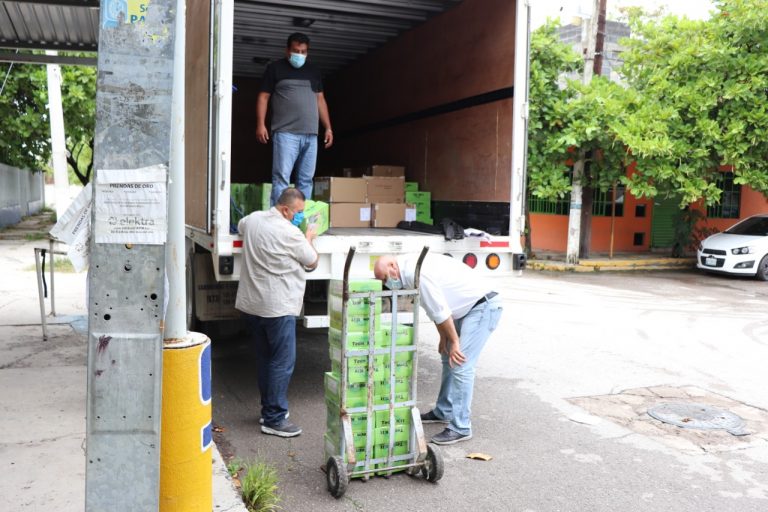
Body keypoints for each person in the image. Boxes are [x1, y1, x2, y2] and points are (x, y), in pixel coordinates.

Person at [373, 254, 502, 445]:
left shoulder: (416, 273)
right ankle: (444, 410)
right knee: (446, 356)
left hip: (482, 307)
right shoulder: (409, 271)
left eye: (385, 278)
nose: (386, 283)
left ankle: (461, 426)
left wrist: (455, 341)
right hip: (465, 309)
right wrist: (444, 337)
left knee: (461, 364)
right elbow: (433, 308)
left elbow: (440, 310)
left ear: (393, 265)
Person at [235, 187, 318, 437]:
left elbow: (240, 226)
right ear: (285, 210)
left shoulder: (253, 220)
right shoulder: (292, 233)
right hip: (278, 307)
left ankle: (269, 410)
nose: (301, 217)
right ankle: (274, 418)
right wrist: (309, 237)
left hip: (253, 305)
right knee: (282, 362)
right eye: (299, 212)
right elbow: (312, 260)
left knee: (265, 360)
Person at [256, 32, 333, 206]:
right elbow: (263, 97)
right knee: (282, 179)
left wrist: (328, 127)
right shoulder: (275, 68)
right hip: (285, 133)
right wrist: (261, 124)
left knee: (306, 180)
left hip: (311, 135)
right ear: (287, 50)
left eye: (303, 51)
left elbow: (320, 100)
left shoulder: (314, 71)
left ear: (308, 52)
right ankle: (277, 222)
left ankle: (299, 220)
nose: (299, 55)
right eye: (296, 50)